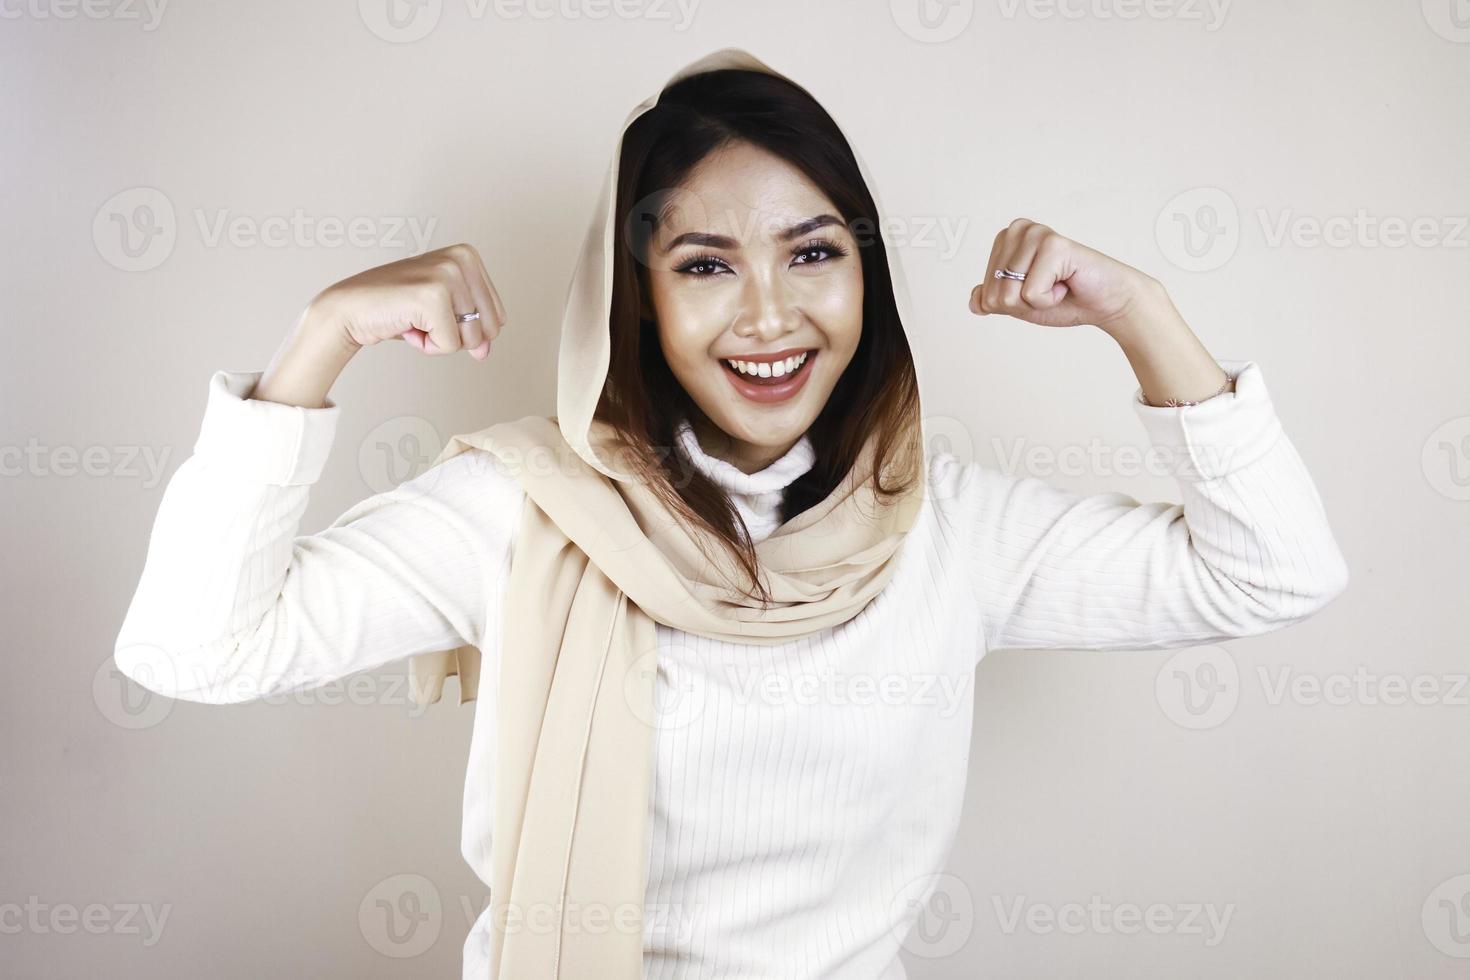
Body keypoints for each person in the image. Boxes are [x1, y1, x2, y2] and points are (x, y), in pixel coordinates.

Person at [113, 47, 1349, 980]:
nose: (769, 316)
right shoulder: (524, 507)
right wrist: (319, 337)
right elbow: (192, 646)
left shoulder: (947, 526)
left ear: (868, 276)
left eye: (813, 253)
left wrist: (1143, 313)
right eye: (706, 265)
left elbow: (1274, 572)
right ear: (636, 300)